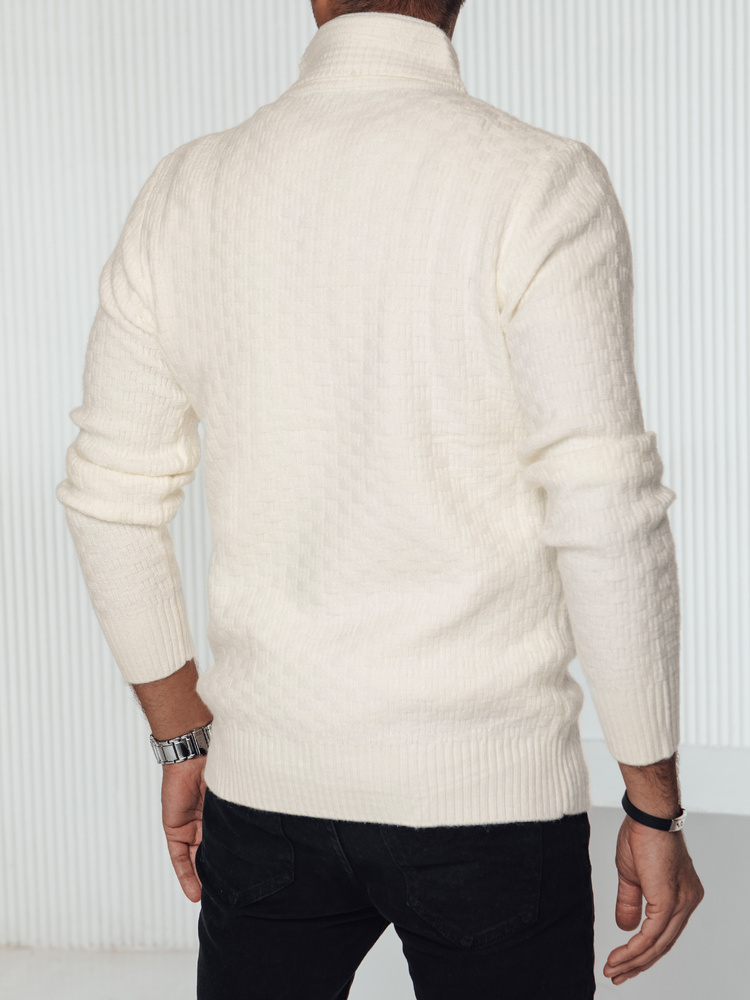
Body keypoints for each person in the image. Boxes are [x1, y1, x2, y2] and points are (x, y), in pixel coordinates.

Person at [55, 0, 704, 996]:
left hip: (263, 788)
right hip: (487, 795)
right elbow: (604, 505)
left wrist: (184, 732)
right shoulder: (537, 182)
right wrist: (652, 801)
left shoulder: (188, 189)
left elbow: (109, 496)